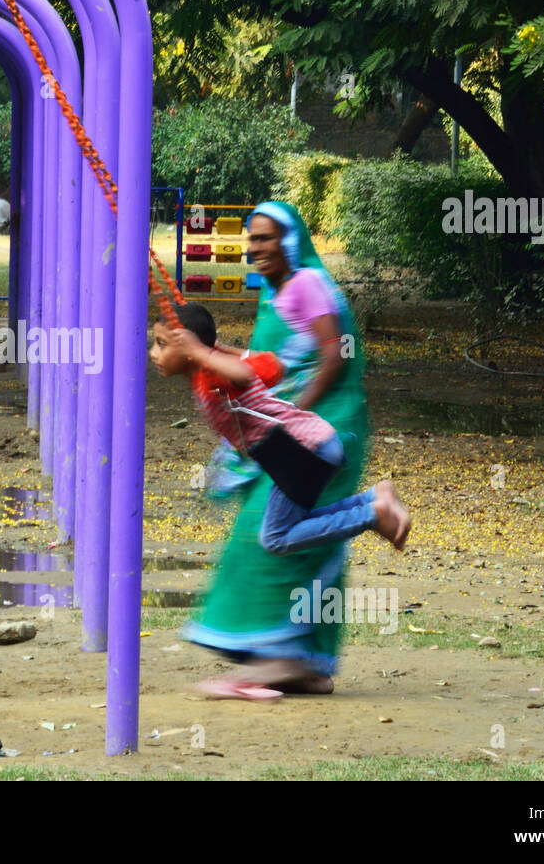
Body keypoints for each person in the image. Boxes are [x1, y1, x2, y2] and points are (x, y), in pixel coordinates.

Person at [179, 201, 375, 697]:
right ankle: (300, 661)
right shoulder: (276, 293)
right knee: (284, 535)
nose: (256, 248)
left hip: (323, 429)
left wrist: (288, 418)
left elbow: (333, 358)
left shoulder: (308, 284)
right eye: (252, 239)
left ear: (289, 241)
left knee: (274, 535)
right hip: (292, 431)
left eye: (265, 238)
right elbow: (267, 365)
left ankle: (284, 659)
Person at [151, 301, 408, 555]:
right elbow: (275, 368)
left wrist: (204, 352)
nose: (153, 353)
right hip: (310, 445)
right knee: (292, 523)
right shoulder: (206, 373)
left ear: (189, 347)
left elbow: (242, 375)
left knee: (275, 537)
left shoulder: (214, 376)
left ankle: (372, 514)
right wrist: (219, 350)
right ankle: (374, 499)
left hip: (304, 450)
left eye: (162, 344)